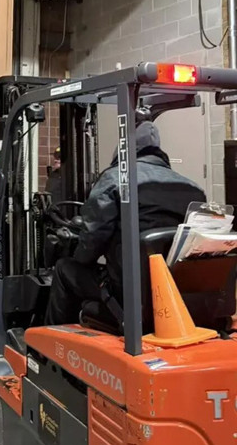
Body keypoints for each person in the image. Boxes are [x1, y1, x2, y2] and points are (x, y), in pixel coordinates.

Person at [44, 121, 206, 326]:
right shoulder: (193, 189)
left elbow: (91, 241)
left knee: (64, 268)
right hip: (173, 292)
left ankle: (49, 341)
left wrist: (79, 253)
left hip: (125, 293)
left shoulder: (114, 179)